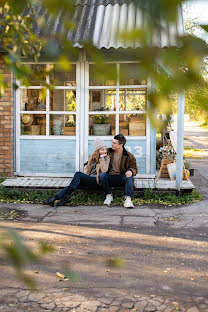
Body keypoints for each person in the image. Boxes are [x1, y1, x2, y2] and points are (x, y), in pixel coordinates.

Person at [43, 138, 110, 207]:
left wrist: (102, 158)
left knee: (78, 174)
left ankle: (64, 198)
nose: (104, 151)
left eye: (105, 149)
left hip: (97, 181)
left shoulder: (106, 158)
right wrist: (86, 168)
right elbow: (88, 171)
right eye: (102, 149)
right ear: (97, 150)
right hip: (89, 180)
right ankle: (55, 198)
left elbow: (104, 170)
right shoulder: (92, 157)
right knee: (71, 186)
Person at [99, 134, 138, 209]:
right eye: (112, 142)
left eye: (114, 143)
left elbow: (134, 168)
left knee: (129, 176)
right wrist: (87, 164)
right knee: (102, 175)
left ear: (121, 145)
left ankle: (128, 199)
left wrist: (131, 171)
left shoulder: (129, 156)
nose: (111, 144)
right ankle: (109, 195)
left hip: (121, 178)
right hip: (110, 177)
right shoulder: (108, 152)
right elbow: (95, 156)